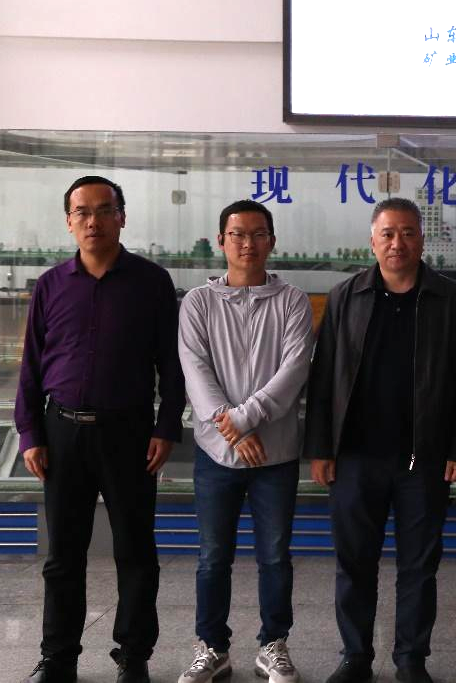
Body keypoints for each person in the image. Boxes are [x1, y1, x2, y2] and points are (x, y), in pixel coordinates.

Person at [304, 197, 456, 683]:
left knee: (419, 566)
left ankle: (411, 659)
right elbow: (323, 378)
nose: (397, 243)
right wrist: (320, 447)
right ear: (372, 241)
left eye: (407, 232)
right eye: (387, 233)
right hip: (355, 456)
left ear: (422, 240)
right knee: (353, 564)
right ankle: (355, 656)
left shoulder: (454, 299)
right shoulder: (346, 296)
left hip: (424, 457)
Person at [15, 175, 185, 683]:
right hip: (62, 432)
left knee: (136, 551)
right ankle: (58, 656)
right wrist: (30, 433)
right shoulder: (50, 285)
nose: (93, 221)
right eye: (82, 212)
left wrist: (166, 426)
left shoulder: (151, 282)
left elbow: (171, 364)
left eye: (104, 210)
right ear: (69, 222)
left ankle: (133, 656)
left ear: (121, 217)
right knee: (63, 555)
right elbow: (31, 365)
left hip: (129, 434)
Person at [176, 199, 314, 683]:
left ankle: (273, 645)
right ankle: (212, 647)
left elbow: (295, 369)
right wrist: (229, 428)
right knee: (213, 556)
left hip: (275, 453)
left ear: (271, 242)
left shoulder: (293, 301)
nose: (247, 243)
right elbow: (195, 370)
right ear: (221, 241)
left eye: (258, 234)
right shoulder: (198, 303)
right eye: (237, 234)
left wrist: (243, 420)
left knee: (275, 555)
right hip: (216, 454)